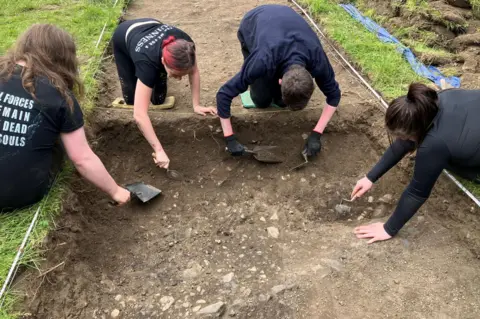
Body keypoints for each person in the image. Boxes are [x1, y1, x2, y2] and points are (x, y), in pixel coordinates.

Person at [0, 24, 131, 212]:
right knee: (58, 141)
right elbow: (82, 159)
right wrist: (116, 191)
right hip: (18, 194)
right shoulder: (59, 96)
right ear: (63, 59)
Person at [351, 83, 480, 243]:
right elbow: (406, 141)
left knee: (444, 160)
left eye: (405, 137)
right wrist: (370, 177)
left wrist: (388, 228)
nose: (403, 140)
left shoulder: (435, 144)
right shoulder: (433, 100)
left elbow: (417, 192)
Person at [216, 4, 341, 157]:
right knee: (261, 101)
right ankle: (266, 90)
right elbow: (223, 94)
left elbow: (334, 95)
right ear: (280, 81)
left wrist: (316, 134)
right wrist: (229, 139)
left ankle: (279, 96)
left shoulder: (318, 60)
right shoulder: (262, 60)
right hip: (253, 22)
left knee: (282, 103)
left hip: (286, 23)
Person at [112, 18, 217, 169]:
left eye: (181, 75)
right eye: (175, 75)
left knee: (159, 99)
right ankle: (138, 79)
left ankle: (156, 81)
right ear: (162, 61)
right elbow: (139, 115)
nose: (180, 79)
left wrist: (197, 105)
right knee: (132, 99)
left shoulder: (187, 46)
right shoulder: (147, 62)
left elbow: (193, 71)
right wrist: (159, 150)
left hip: (152, 25)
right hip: (124, 35)